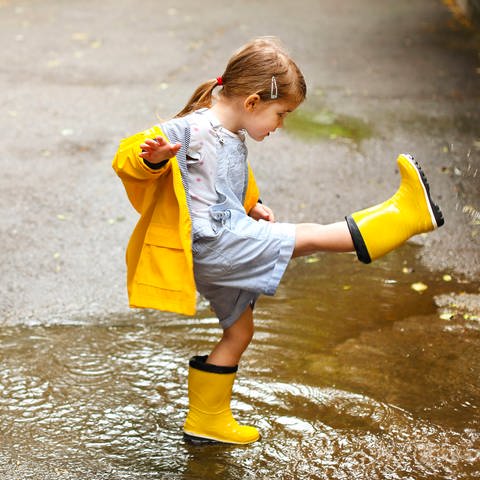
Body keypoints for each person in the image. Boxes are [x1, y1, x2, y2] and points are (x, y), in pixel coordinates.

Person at [112, 37, 444, 445]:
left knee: (240, 333)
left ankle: (206, 422)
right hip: (215, 242)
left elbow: (218, 185)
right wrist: (155, 157)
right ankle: (405, 215)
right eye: (280, 114)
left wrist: (253, 205)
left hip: (221, 239)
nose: (280, 125)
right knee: (308, 236)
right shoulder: (192, 127)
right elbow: (127, 155)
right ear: (252, 102)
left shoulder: (230, 131)